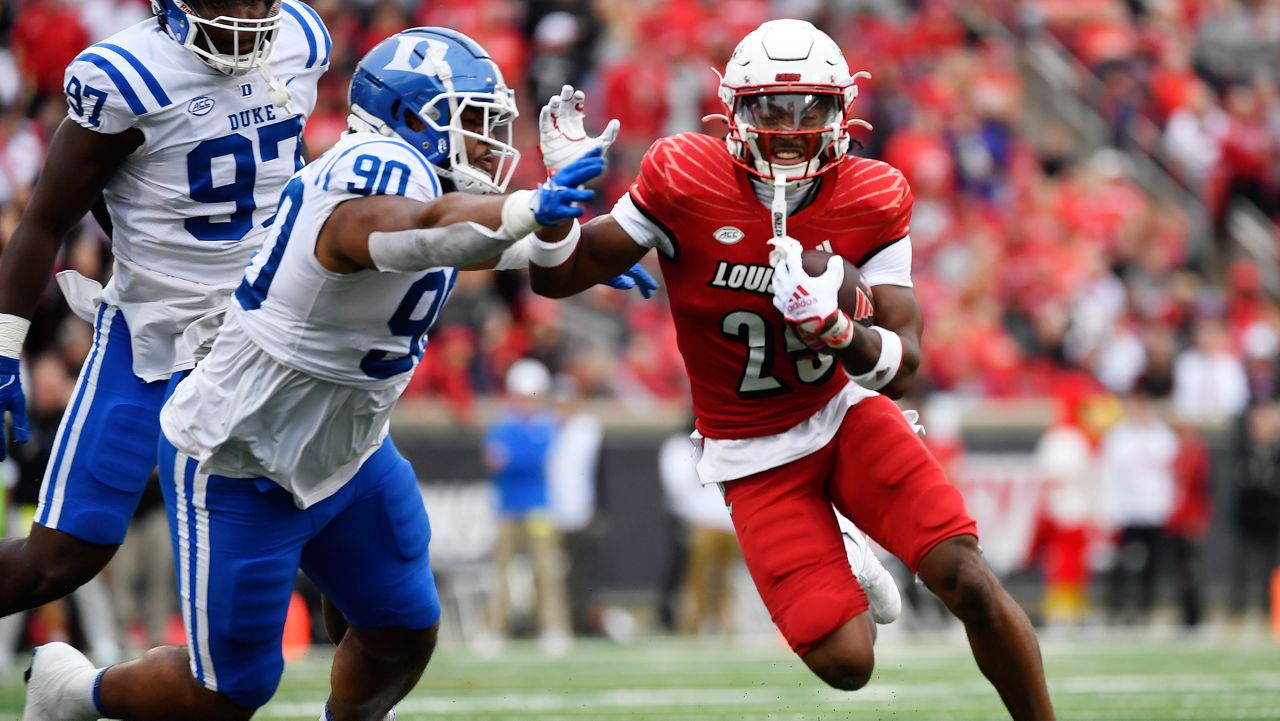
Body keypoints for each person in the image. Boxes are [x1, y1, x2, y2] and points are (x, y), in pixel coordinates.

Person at [20, 27, 640, 721]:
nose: (490, 142)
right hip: (239, 455)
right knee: (225, 692)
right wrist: (527, 208)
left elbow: (518, 252)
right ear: (412, 120)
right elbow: (421, 225)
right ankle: (73, 692)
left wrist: (598, 228)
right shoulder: (376, 172)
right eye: (469, 120)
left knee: (402, 630)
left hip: (347, 454)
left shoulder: (444, 196)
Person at [528, 19, 1055, 719]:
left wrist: (839, 329)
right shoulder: (682, 174)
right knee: (848, 663)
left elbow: (904, 362)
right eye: (770, 107)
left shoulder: (872, 194)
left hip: (842, 414)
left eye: (810, 107)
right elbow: (560, 275)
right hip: (750, 451)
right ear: (733, 111)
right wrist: (554, 208)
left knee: (966, 576)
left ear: (843, 111)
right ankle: (841, 536)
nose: (789, 127)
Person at [0, 0, 331, 617]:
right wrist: (1, 348)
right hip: (154, 338)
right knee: (63, 556)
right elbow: (45, 221)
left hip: (266, 332)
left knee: (341, 531)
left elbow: (292, 172)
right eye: (227, 1)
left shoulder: (301, 39)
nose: (247, 15)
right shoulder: (128, 76)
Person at [485, 358, 573, 655]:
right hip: (508, 507)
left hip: (539, 508)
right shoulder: (505, 425)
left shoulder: (541, 426)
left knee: (546, 569)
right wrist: (517, 459)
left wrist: (513, 459)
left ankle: (553, 627)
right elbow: (496, 461)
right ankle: (495, 629)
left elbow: (524, 459)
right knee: (501, 571)